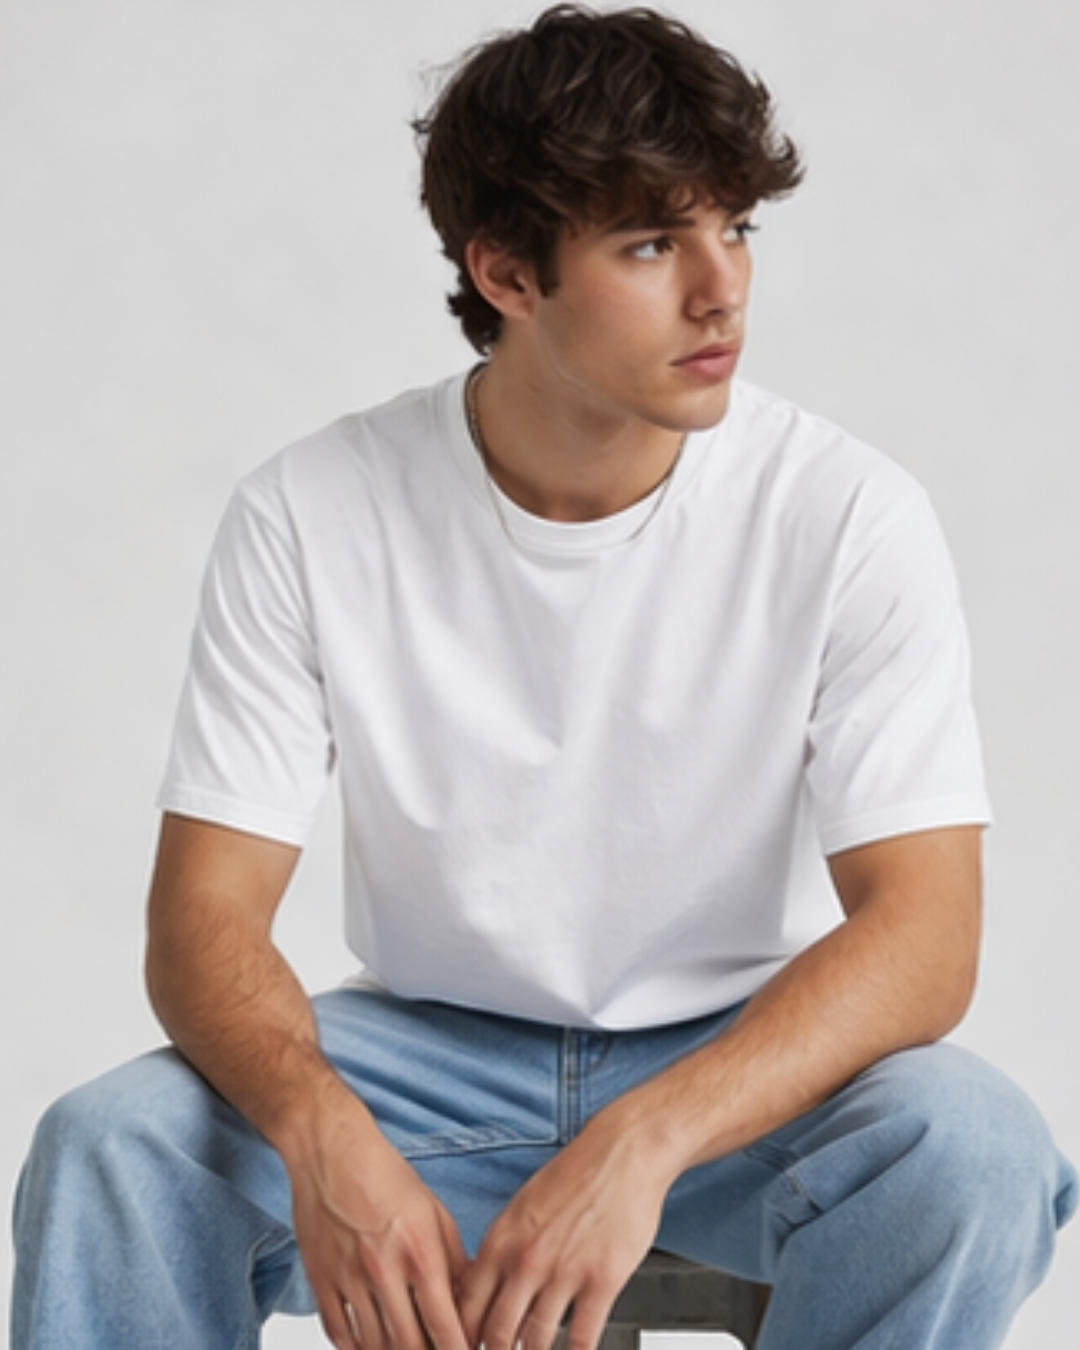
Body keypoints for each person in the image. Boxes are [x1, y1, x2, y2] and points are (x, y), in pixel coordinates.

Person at [11, 6, 1077, 1349]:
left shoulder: (846, 513)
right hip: (419, 1060)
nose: (722, 287)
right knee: (112, 1145)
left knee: (970, 1149)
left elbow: (925, 937)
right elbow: (204, 917)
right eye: (651, 243)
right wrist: (322, 1131)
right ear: (506, 273)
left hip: (735, 1067)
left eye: (735, 228)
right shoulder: (314, 510)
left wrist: (648, 1136)